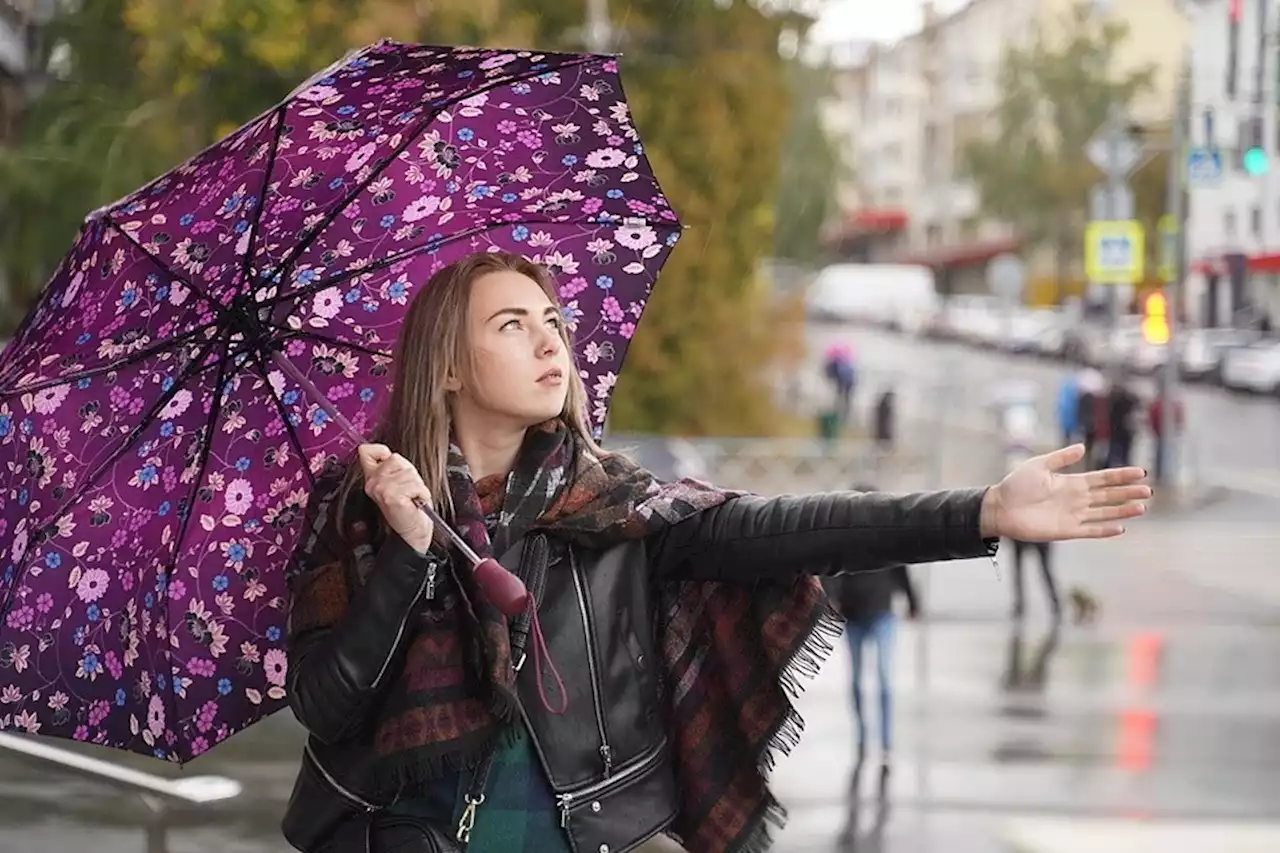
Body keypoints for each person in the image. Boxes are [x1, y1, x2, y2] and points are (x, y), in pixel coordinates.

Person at [281, 251, 1149, 853]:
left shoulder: (620, 508)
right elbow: (326, 705)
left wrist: (983, 509)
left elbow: (793, 525)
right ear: (448, 369)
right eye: (512, 325)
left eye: (551, 319)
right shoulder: (363, 510)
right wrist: (405, 552)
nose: (552, 342)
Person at [822, 482, 919, 769]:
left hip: (882, 615)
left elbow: (902, 571)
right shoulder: (842, 540)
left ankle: (886, 743)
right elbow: (831, 575)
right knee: (856, 681)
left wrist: (914, 603)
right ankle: (864, 736)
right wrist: (832, 600)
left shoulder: (887, 537)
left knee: (885, 679)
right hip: (853, 616)